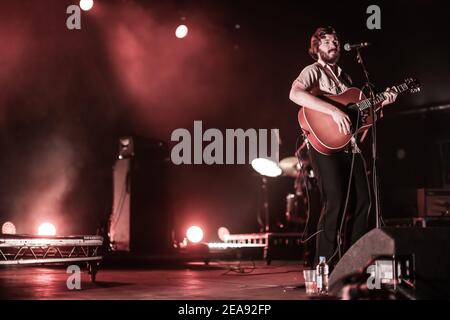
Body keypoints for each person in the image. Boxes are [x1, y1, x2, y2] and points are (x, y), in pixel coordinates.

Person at [289, 26, 397, 268]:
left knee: (364, 202)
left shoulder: (347, 79)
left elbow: (361, 122)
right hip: (323, 146)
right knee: (335, 202)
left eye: (336, 40)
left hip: (349, 146)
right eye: (326, 41)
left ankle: (353, 262)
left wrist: (381, 106)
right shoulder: (313, 71)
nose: (333, 44)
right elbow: (295, 94)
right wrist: (332, 110)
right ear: (316, 48)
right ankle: (323, 264)